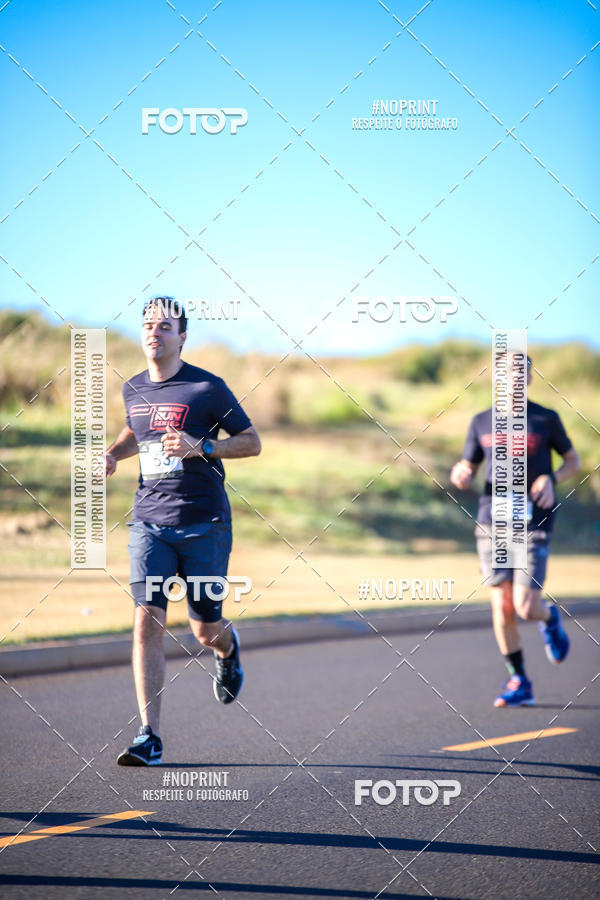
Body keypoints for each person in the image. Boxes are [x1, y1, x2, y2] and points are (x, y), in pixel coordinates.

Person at [105, 296, 261, 765]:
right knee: (146, 618)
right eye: (149, 325)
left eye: (165, 326)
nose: (155, 332)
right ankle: (148, 735)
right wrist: (113, 453)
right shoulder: (132, 388)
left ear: (182, 336)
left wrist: (202, 446)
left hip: (204, 525)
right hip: (150, 521)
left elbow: (251, 443)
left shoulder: (206, 388)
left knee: (203, 628)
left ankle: (227, 650)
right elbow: (137, 432)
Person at [450, 354, 581, 707]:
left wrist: (550, 478)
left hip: (534, 522)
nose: (514, 379)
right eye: (507, 373)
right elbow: (467, 464)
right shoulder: (481, 421)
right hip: (493, 523)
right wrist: (460, 473)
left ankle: (549, 617)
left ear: (530, 378)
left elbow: (574, 462)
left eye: (521, 373)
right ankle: (519, 680)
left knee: (525, 606)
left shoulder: (545, 419)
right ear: (496, 378)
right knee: (502, 605)